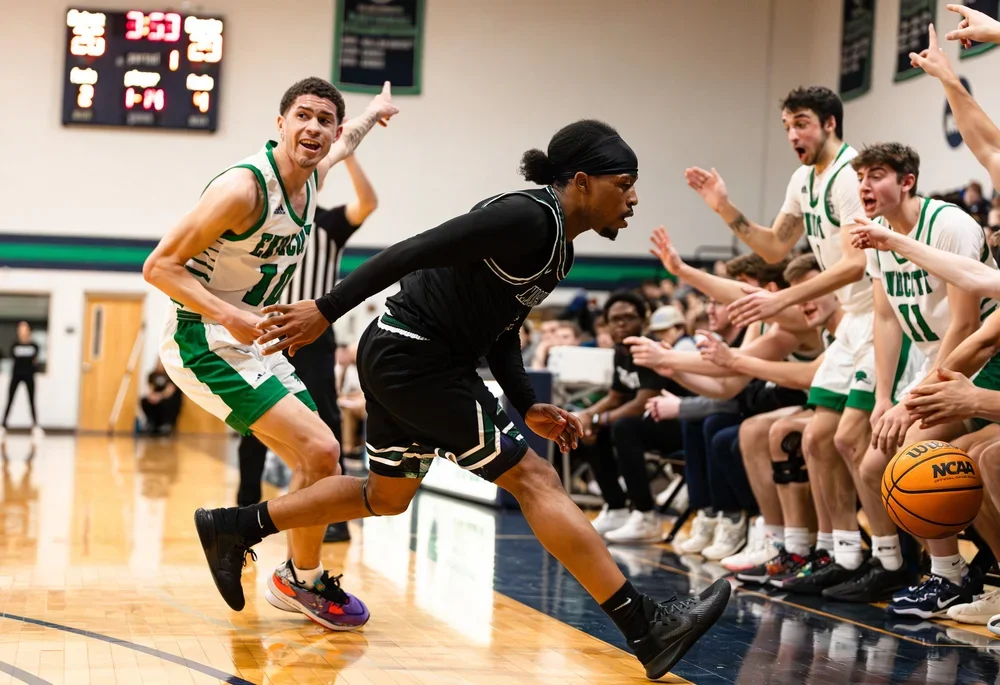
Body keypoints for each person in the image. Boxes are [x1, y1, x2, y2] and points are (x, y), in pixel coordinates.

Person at [193, 120, 730, 681]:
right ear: (581, 182)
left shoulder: (559, 248)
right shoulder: (525, 216)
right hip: (416, 356)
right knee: (536, 480)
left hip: (411, 356)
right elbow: (412, 250)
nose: (634, 198)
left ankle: (235, 526)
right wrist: (326, 309)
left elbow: (503, 329)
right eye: (624, 184)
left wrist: (527, 403)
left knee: (386, 496)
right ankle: (644, 625)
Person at [143, 76, 398, 631]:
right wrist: (232, 315)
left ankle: (298, 581)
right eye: (302, 116)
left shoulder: (314, 176)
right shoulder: (243, 189)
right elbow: (159, 266)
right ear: (279, 124)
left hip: (252, 338)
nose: (315, 128)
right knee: (319, 442)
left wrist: (372, 114)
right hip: (201, 338)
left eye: (324, 120)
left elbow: (348, 139)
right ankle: (248, 540)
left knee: (322, 458)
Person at [685, 86, 918, 593]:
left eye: (803, 123)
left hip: (878, 312)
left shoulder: (850, 177)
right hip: (853, 322)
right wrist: (725, 208)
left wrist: (784, 301)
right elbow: (775, 243)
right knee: (815, 438)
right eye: (788, 125)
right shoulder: (802, 178)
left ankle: (894, 557)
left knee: (849, 439)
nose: (794, 134)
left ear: (830, 124)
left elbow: (856, 263)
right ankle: (841, 553)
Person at [234, 153, 379, 546]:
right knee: (257, 424)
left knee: (326, 422)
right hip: (266, 330)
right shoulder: (267, 214)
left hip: (312, 334)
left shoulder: (328, 223)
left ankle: (330, 515)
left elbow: (367, 203)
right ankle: (245, 509)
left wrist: (350, 156)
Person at [1, 322, 41, 440]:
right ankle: (3, 426)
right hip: (16, 375)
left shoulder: (34, 346)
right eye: (21, 329)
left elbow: (35, 361)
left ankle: (35, 426)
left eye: (25, 329)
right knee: (10, 400)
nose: (23, 332)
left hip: (29, 376)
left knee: (32, 401)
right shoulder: (15, 345)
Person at [140, 360, 182, 435]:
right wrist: (152, 396)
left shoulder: (171, 375)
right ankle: (151, 423)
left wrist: (160, 396)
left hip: (167, 398)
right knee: (144, 400)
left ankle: (166, 424)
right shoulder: (152, 375)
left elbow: (170, 390)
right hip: (157, 398)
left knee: (167, 403)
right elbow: (150, 388)